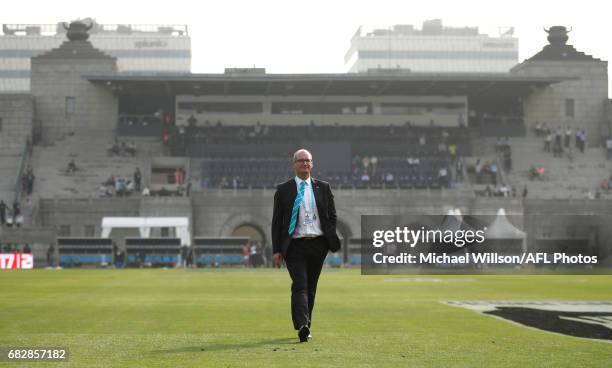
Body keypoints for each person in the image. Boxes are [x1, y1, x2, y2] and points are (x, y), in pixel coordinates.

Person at [271, 149, 341, 343]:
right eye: (301, 161)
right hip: (294, 246)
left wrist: (328, 237)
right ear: (294, 164)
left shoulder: (323, 187)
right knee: (300, 284)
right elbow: (277, 222)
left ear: (312, 164)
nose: (305, 164)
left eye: (308, 161)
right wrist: (277, 250)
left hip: (318, 244)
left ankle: (306, 324)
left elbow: (332, 215)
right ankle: (302, 325)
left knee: (311, 288)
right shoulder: (284, 189)